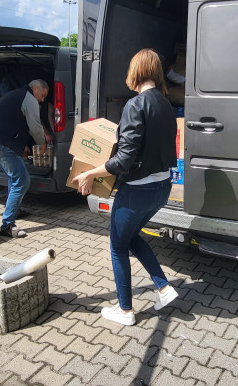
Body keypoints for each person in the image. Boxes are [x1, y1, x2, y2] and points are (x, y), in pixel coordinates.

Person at [72, 49, 179, 326]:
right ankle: (164, 288)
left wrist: (90, 174)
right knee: (131, 238)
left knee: (117, 246)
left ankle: (125, 310)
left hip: (137, 192)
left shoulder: (136, 105)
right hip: (161, 188)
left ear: (136, 71)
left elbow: (124, 159)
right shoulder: (166, 105)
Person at [0, 79, 53, 238]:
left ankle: (14, 211)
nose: (42, 99)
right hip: (0, 143)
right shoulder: (30, 99)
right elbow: (35, 126)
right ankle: (7, 225)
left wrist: (21, 146)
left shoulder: (17, 95)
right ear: (35, 88)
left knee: (15, 176)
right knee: (22, 179)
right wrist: (42, 145)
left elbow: (14, 122)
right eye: (42, 95)